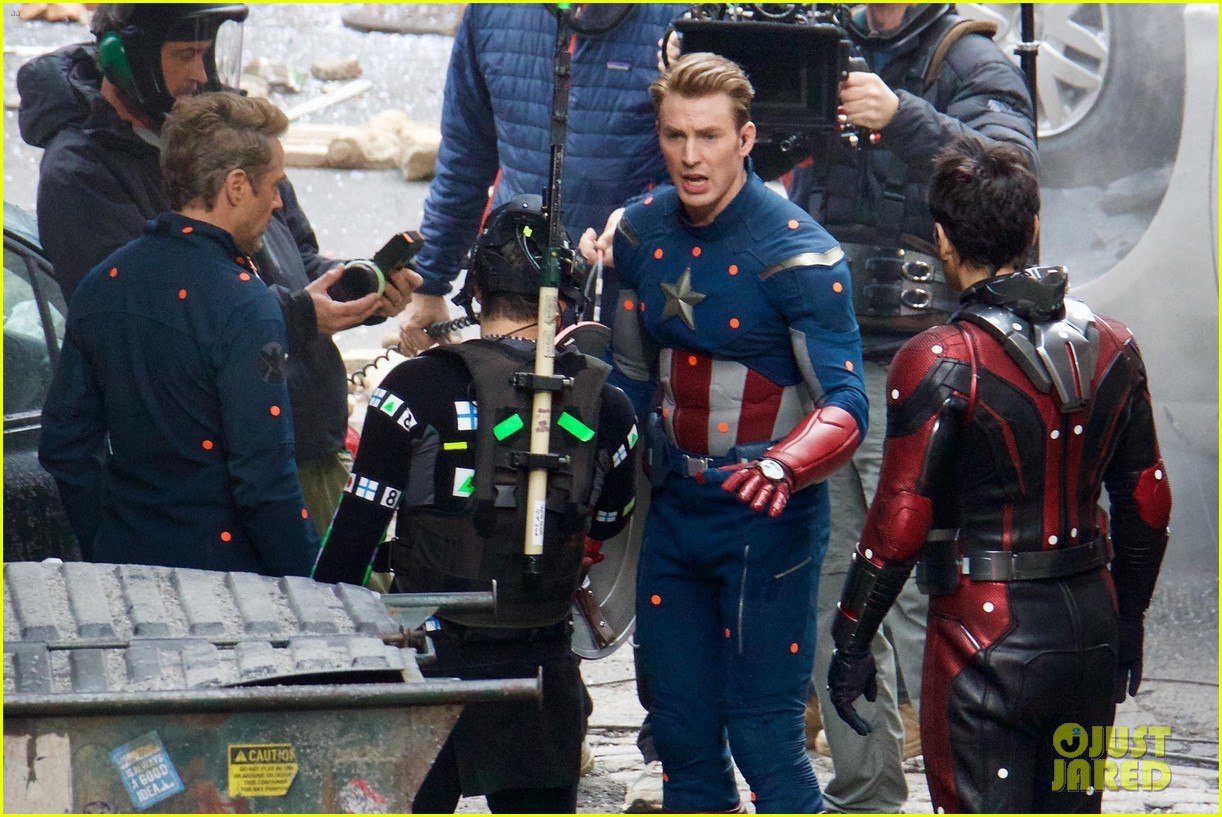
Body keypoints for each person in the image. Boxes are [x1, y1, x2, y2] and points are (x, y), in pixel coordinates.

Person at [827, 135, 1170, 813]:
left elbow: (899, 519)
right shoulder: (1116, 345)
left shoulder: (939, 358)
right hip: (1090, 628)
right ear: (1033, 227)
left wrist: (851, 640)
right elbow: (1147, 502)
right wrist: (1129, 616)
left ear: (941, 239)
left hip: (981, 639)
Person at [582, 53, 867, 813]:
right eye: (674, 135)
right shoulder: (640, 232)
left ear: (745, 139)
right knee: (679, 732)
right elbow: (625, 383)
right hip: (674, 509)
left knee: (767, 738)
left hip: (766, 522)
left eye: (708, 136)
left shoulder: (799, 253)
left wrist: (783, 466)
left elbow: (846, 403)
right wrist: (597, 499)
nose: (690, 155)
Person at [17, 3, 420, 534]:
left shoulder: (227, 139)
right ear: (126, 56)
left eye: (206, 55)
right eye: (185, 55)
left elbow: (294, 262)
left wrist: (359, 288)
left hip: (304, 445)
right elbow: (153, 324)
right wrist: (300, 316)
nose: (200, 75)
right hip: (223, 478)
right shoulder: (82, 173)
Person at [775, 5, 1038, 810]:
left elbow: (1013, 180)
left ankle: (964, 782)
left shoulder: (969, 60)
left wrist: (903, 117)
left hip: (921, 360)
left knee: (918, 587)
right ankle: (865, 791)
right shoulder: (820, 38)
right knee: (827, 578)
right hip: (821, 349)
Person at [312, 195, 639, 813]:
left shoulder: (413, 387)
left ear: (476, 291)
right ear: (564, 299)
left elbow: (356, 533)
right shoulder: (609, 406)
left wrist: (318, 646)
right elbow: (611, 520)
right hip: (543, 669)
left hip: (428, 667)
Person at [38, 92, 320, 576]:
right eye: (275, 186)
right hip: (228, 580)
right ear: (236, 186)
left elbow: (65, 446)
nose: (278, 203)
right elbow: (264, 481)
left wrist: (105, 541)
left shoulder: (104, 281)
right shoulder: (246, 304)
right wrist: (315, 586)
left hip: (124, 566)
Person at [396, 3, 684, 354]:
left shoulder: (683, 17)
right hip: (513, 285)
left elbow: (722, 162)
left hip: (633, 286)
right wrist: (429, 283)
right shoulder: (490, 11)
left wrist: (643, 216)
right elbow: (465, 158)